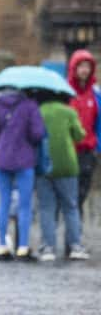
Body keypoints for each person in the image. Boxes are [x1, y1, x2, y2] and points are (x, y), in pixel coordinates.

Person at [0, 88, 46, 260]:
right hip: (24, 159)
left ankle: (2, 246)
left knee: (3, 202)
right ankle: (23, 247)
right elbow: (38, 133)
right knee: (25, 205)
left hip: (1, 158)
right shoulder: (30, 106)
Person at [35, 93, 88, 260]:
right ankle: (75, 246)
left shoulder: (38, 111)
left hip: (43, 164)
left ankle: (48, 247)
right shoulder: (69, 112)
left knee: (46, 208)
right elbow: (79, 135)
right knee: (71, 207)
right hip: (67, 166)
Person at [66, 49, 101, 216]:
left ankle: (75, 234)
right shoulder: (66, 93)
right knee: (70, 195)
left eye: (88, 66)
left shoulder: (95, 95)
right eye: (81, 66)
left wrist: (97, 147)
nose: (84, 70)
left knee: (81, 194)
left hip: (88, 151)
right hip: (69, 150)